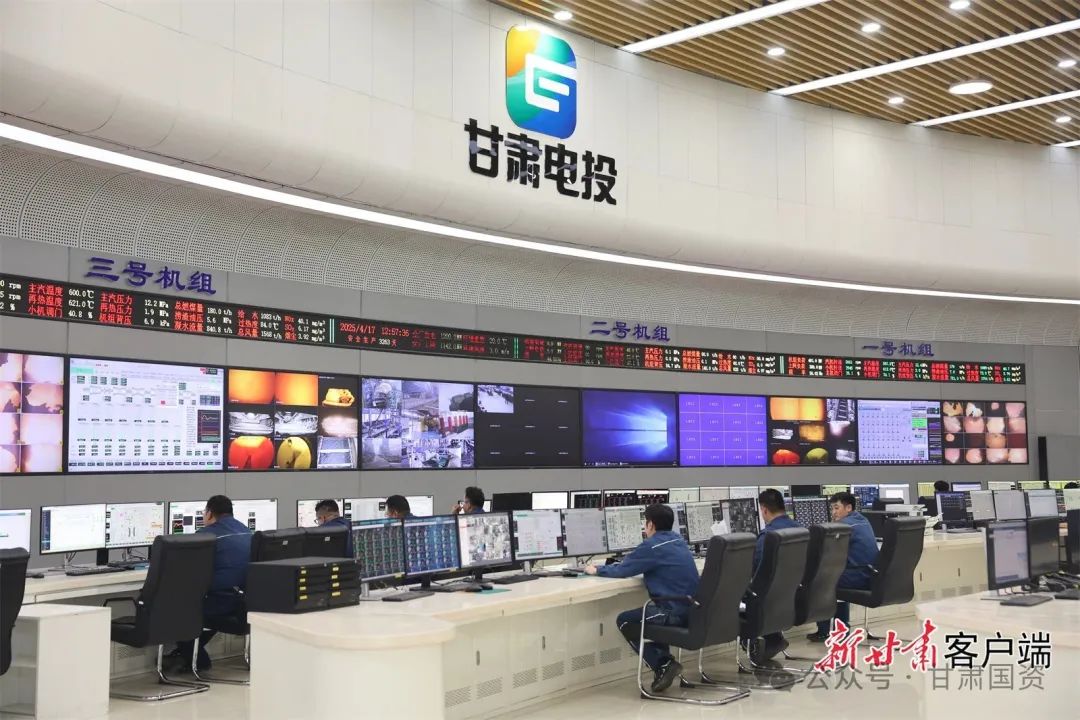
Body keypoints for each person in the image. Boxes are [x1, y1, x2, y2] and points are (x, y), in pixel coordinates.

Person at [584, 504, 699, 694]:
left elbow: (622, 570)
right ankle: (665, 664)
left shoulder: (652, 546)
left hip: (673, 612)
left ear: (650, 525)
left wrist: (596, 569)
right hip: (692, 610)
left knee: (625, 620)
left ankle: (663, 665)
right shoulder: (678, 541)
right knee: (650, 615)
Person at [174, 495, 252, 670]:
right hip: (244, 605)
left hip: (221, 603)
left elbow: (187, 569)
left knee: (178, 609)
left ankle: (197, 661)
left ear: (209, 513)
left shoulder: (205, 536)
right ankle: (187, 656)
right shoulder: (248, 531)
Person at [808, 491, 879, 642]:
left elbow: (825, 548)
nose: (833, 512)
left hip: (858, 576)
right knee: (833, 576)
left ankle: (828, 631)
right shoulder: (863, 520)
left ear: (848, 508)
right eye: (832, 508)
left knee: (821, 580)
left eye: (836, 508)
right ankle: (837, 629)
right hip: (871, 575)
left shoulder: (844, 526)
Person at [750, 489, 801, 662]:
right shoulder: (800, 530)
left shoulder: (768, 536)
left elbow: (756, 570)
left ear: (764, 509)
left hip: (769, 598)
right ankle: (773, 639)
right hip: (793, 594)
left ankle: (765, 642)